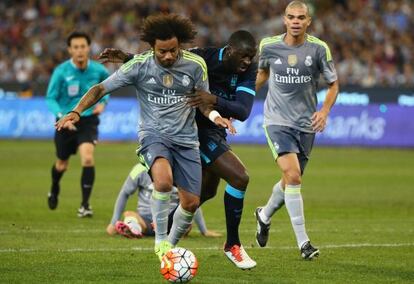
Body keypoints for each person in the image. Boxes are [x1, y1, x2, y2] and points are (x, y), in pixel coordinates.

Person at [55, 14, 234, 261]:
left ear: (179, 44)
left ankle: (169, 246)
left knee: (191, 203)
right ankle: (160, 242)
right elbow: (100, 88)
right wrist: (76, 111)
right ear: (152, 48)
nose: (169, 56)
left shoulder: (195, 66)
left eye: (173, 50)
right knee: (162, 181)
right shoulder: (139, 65)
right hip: (154, 135)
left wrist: (215, 116)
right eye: (162, 52)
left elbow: (202, 103)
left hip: (186, 140)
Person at [99, 30, 258, 269]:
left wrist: (211, 99)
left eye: (251, 57)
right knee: (239, 177)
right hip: (189, 128)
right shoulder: (202, 57)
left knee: (206, 192)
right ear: (230, 50)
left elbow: (243, 111)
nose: (247, 62)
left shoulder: (249, 70)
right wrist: (130, 58)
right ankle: (232, 245)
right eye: (243, 56)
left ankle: (160, 229)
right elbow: (165, 60)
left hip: (214, 128)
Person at [254, 0, 339, 260]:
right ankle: (304, 244)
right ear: (284, 19)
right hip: (277, 121)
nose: (295, 21)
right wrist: (239, 102)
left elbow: (334, 84)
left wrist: (323, 111)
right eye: (291, 17)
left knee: (290, 180)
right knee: (293, 176)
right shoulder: (268, 46)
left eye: (301, 17)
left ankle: (264, 214)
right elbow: (262, 75)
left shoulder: (318, 49)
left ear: (308, 21)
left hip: (306, 125)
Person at [45, 31, 110, 217]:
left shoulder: (99, 70)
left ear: (88, 48)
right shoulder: (61, 72)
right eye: (76, 47)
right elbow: (51, 98)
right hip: (65, 121)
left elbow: (108, 88)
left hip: (87, 120)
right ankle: (54, 187)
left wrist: (103, 104)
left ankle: (85, 205)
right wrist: (61, 116)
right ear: (70, 50)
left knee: (88, 158)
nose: (80, 50)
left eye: (83, 46)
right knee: (61, 164)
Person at [106, 163, 222, 238]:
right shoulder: (139, 169)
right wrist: (112, 223)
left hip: (171, 221)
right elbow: (124, 193)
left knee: (185, 222)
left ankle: (133, 227)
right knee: (130, 214)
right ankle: (133, 228)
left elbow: (192, 202)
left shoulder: (181, 171)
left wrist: (204, 230)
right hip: (145, 220)